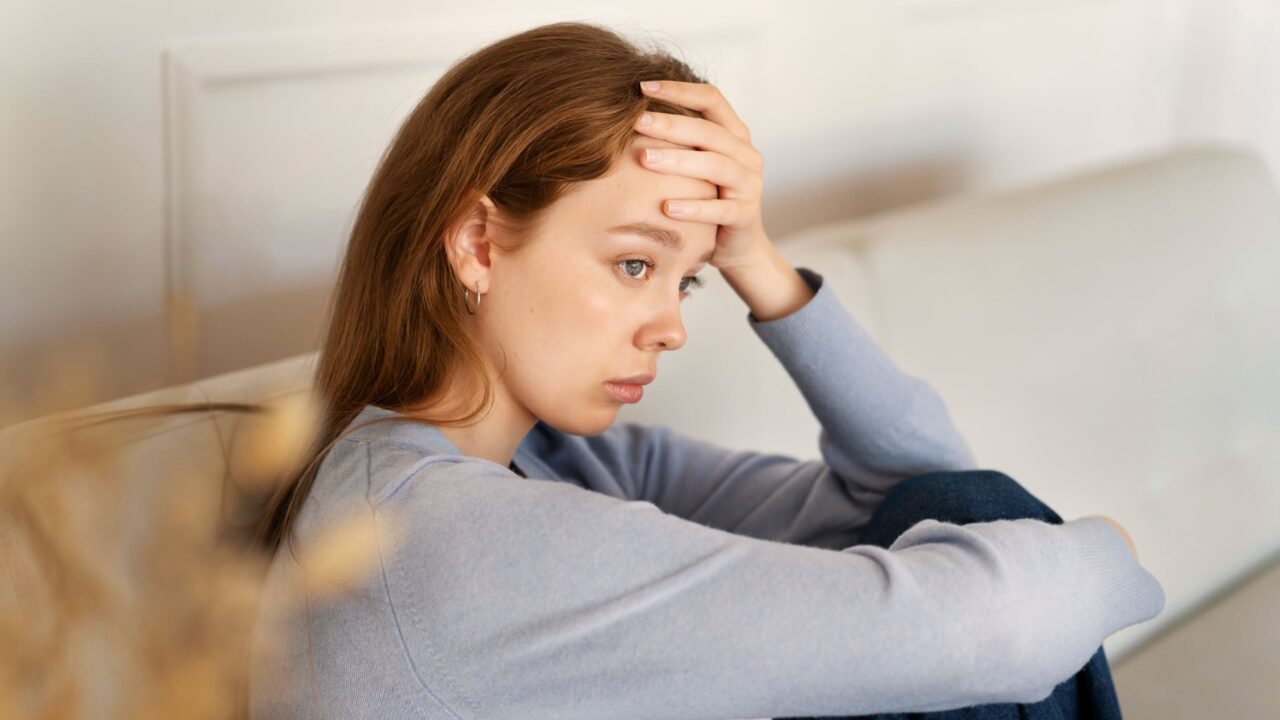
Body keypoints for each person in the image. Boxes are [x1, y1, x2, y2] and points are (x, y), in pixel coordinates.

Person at [246, 21, 1165, 720]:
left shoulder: (566, 462)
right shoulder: (435, 534)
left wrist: (756, 261)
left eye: (689, 280)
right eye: (635, 265)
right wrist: (1111, 551)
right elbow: (988, 628)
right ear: (479, 243)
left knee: (973, 515)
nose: (673, 327)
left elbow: (933, 486)